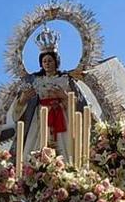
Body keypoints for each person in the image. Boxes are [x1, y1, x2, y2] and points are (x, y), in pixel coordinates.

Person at [11, 25, 89, 157]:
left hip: (62, 117)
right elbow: (18, 112)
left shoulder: (66, 79)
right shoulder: (34, 81)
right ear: (41, 64)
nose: (47, 63)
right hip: (39, 119)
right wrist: (23, 99)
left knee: (66, 150)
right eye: (44, 61)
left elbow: (81, 107)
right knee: (36, 148)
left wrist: (64, 97)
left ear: (56, 61)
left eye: (50, 60)